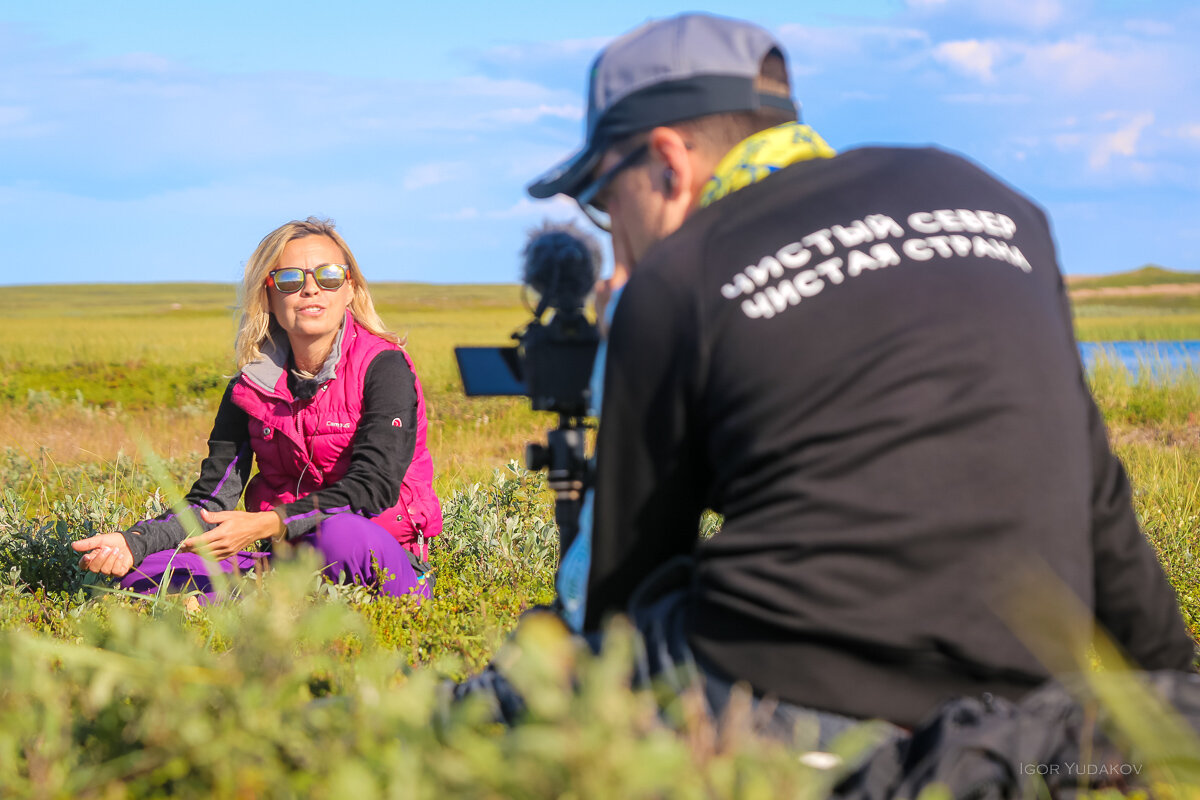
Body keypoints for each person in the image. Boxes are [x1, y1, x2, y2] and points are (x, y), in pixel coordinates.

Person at [525, 12, 1196, 742]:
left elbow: (618, 603)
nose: (610, 228)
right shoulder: (996, 204)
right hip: (1030, 716)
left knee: (524, 693)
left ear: (667, 163)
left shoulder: (678, 279)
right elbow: (1100, 503)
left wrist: (627, 342)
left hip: (799, 714)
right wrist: (1178, 705)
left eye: (603, 200)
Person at [72, 217, 442, 601]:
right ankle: (269, 604)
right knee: (148, 570)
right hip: (282, 557)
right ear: (268, 295)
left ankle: (235, 604)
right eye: (290, 279)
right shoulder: (249, 387)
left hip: (375, 555)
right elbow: (211, 503)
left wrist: (267, 523)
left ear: (350, 288)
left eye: (329, 276)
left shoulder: (385, 368)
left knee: (341, 535)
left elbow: (373, 488)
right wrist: (134, 542)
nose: (311, 289)